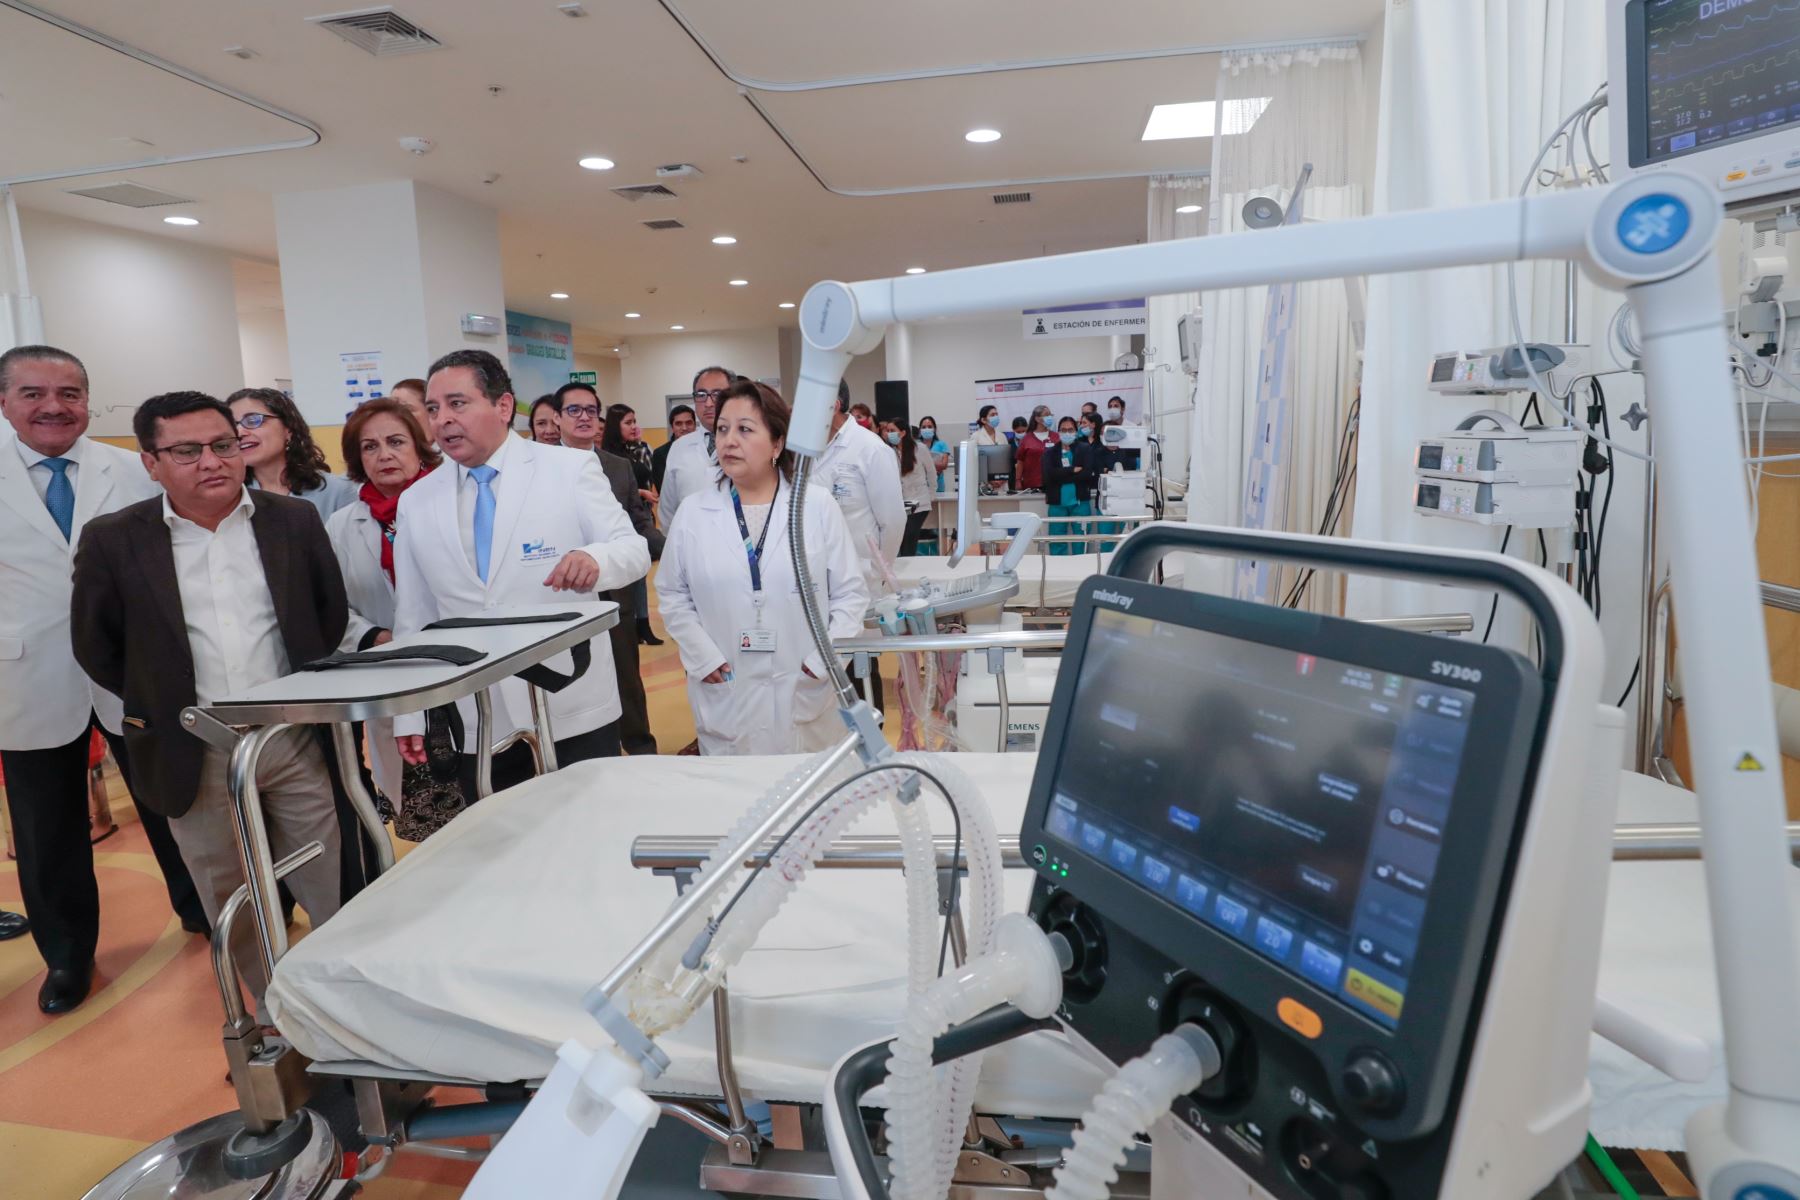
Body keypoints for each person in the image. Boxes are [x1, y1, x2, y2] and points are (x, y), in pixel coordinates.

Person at [70, 391, 351, 999]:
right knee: (228, 891)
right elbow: (98, 647)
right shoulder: (115, 540)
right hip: (189, 744)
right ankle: (277, 1015)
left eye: (224, 445)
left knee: (330, 876)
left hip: (290, 734)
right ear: (151, 462)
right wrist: (161, 697)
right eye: (187, 451)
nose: (211, 462)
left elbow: (326, 621)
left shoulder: (292, 522)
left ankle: (351, 1004)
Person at [0, 345, 206, 1013]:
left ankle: (204, 911)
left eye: (70, 393)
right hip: (24, 677)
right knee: (45, 830)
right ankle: (67, 958)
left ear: (89, 401)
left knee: (172, 801)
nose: (54, 406)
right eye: (33, 393)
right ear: (5, 402)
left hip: (130, 669)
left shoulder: (134, 471)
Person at [392, 350, 649, 798]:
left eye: (458, 403)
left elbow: (632, 550)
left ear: (503, 406)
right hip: (477, 715)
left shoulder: (567, 469)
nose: (442, 420)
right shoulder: (417, 501)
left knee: (587, 836)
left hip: (569, 704)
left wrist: (594, 560)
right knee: (502, 846)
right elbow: (413, 615)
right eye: (433, 409)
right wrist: (410, 712)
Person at [657, 382, 868, 755]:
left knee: (808, 800)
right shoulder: (694, 511)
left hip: (804, 689)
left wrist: (824, 662)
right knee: (736, 802)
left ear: (777, 443)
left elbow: (850, 595)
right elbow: (673, 594)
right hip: (726, 686)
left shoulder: (815, 506)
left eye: (745, 429)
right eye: (722, 429)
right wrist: (701, 656)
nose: (729, 441)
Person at [325, 398, 441, 806]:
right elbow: (330, 605)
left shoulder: (448, 505)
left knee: (484, 792)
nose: (384, 454)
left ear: (419, 446)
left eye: (396, 441)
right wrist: (376, 636)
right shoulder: (342, 525)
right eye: (370, 447)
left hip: (457, 667)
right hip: (389, 672)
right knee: (420, 805)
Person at [817, 379, 903, 709]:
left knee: (860, 673)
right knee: (822, 681)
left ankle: (871, 754)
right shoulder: (804, 450)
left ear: (834, 403)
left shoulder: (870, 449)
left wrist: (877, 572)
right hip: (812, 585)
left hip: (858, 582)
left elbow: (893, 522)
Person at [228, 387, 358, 520]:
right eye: (233, 425)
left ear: (288, 428)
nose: (239, 432)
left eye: (252, 420)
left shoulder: (337, 491)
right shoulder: (231, 494)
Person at [602, 403, 664, 646]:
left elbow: (646, 473)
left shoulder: (636, 450)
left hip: (642, 517)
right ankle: (634, 625)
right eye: (628, 422)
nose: (634, 426)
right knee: (626, 580)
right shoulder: (607, 456)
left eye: (634, 421)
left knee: (641, 574)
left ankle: (643, 623)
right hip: (623, 523)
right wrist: (640, 493)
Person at [658, 366, 733, 528]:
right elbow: (667, 509)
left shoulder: (747, 443)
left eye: (717, 394)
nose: (708, 403)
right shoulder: (679, 447)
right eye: (701, 395)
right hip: (690, 544)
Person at [1042, 416, 1098, 556]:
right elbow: (1049, 476)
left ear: (1076, 431)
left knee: (1081, 540)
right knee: (1056, 540)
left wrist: (1061, 475)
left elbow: (1087, 474)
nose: (1067, 433)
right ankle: (1059, 571)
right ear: (1058, 431)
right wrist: (1072, 470)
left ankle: (1079, 571)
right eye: (1063, 430)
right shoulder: (1050, 452)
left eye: (1070, 429)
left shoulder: (1084, 449)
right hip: (1057, 504)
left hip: (1080, 503)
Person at [880, 419, 936, 557]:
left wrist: (931, 494)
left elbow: (931, 472)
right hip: (901, 503)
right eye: (887, 431)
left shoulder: (919, 448)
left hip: (920, 501)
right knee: (902, 536)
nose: (889, 434)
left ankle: (909, 566)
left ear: (903, 433)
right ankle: (904, 566)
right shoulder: (889, 451)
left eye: (892, 431)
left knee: (910, 533)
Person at [1080, 409, 1122, 549]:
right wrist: (1111, 471)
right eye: (1103, 432)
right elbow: (1099, 472)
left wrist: (1109, 470)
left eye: (1109, 432)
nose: (1105, 435)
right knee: (1105, 540)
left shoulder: (1126, 451)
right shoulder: (1097, 452)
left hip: (1126, 500)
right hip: (1104, 500)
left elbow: (1130, 469)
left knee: (1127, 538)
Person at [652, 404, 695, 492]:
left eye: (688, 423)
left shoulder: (705, 449)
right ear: (672, 427)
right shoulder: (661, 454)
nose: (684, 428)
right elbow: (662, 489)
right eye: (679, 424)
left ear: (694, 425)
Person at [1014, 406, 1053, 493]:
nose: (1050, 417)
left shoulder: (1056, 437)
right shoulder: (1026, 439)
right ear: (1037, 419)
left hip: (1053, 484)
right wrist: (1018, 480)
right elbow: (1020, 462)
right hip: (1032, 486)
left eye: (1050, 415)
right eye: (1047, 415)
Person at [916, 415, 951, 492]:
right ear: (920, 430)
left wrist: (924, 464)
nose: (926, 429)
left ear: (934, 429)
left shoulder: (942, 444)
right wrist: (935, 465)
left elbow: (944, 465)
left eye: (929, 426)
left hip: (938, 485)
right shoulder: (915, 445)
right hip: (920, 486)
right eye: (924, 427)